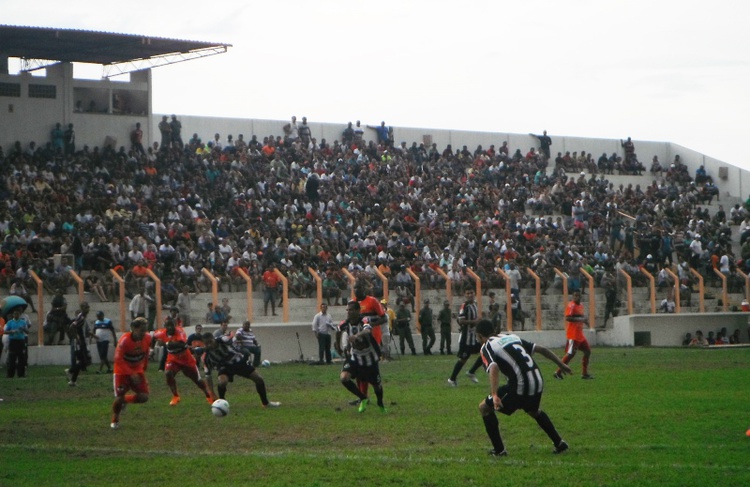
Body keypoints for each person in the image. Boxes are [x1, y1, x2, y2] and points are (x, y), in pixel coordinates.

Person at [475, 319, 571, 456]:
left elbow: (494, 367)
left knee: (484, 407)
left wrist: (494, 394)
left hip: (521, 384)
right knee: (533, 410)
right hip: (537, 380)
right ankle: (559, 443)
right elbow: (541, 349)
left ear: (479, 336)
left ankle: (499, 450)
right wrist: (561, 365)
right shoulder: (510, 337)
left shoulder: (486, 346)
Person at [200, 332, 281, 408]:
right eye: (206, 344)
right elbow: (208, 376)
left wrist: (232, 336)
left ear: (214, 339)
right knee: (222, 382)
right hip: (224, 368)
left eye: (210, 342)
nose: (209, 345)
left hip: (238, 362)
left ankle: (266, 403)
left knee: (258, 379)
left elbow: (231, 335)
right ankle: (221, 404)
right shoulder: (206, 357)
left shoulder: (222, 340)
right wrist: (212, 393)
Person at [337, 300, 387, 413]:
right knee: (344, 378)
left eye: (351, 310)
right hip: (355, 357)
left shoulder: (364, 320)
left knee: (377, 386)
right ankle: (363, 398)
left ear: (358, 311)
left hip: (370, 358)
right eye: (347, 310)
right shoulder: (344, 324)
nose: (349, 312)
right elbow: (338, 331)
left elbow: (367, 330)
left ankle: (380, 403)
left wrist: (356, 335)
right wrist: (338, 347)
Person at [153, 318, 214, 406]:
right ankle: (175, 396)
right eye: (168, 325)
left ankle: (208, 396)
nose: (170, 327)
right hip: (173, 360)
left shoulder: (180, 331)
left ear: (175, 325)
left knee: (197, 380)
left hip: (186, 360)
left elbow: (181, 344)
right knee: (168, 373)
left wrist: (166, 344)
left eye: (172, 325)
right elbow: (153, 337)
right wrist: (151, 348)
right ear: (165, 326)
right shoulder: (161, 333)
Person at [111, 317, 152, 430]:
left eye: (145, 330)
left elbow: (146, 351)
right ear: (133, 328)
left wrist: (145, 365)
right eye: (142, 330)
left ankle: (125, 401)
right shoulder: (124, 340)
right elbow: (118, 359)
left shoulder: (147, 338)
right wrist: (130, 373)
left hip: (137, 369)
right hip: (122, 371)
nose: (144, 333)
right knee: (119, 398)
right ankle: (115, 418)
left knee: (144, 397)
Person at [554, 291, 593, 380]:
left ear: (580, 296)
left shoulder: (581, 306)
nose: (577, 297)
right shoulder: (571, 306)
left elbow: (582, 317)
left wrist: (586, 322)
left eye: (578, 296)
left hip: (580, 335)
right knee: (570, 354)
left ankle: (584, 373)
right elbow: (568, 318)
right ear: (573, 296)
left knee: (587, 351)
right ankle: (558, 372)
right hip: (573, 335)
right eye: (575, 296)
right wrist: (580, 319)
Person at [448, 289, 483, 386]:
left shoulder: (475, 304)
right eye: (468, 293)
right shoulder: (464, 306)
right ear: (465, 295)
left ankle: (471, 372)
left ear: (474, 294)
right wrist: (474, 321)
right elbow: (461, 321)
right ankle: (452, 379)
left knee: (485, 351)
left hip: (474, 338)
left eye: (471, 293)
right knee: (463, 359)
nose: (470, 295)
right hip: (466, 339)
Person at [65, 302, 93, 386]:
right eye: (85, 308)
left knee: (84, 361)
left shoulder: (82, 317)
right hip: (81, 342)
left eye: (88, 307)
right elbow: (72, 327)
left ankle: (72, 380)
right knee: (85, 361)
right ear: (82, 308)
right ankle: (70, 371)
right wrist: (77, 338)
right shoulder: (81, 318)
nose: (87, 309)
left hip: (82, 341)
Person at [4, 306, 28, 378]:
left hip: (21, 341)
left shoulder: (23, 322)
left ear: (19, 314)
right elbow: (5, 332)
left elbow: (27, 331)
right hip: (13, 341)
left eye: (18, 314)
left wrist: (23, 329)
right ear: (13, 315)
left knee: (21, 358)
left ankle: (21, 374)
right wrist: (11, 331)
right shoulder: (10, 322)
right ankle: (10, 374)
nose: (16, 315)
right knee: (12, 358)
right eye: (15, 314)